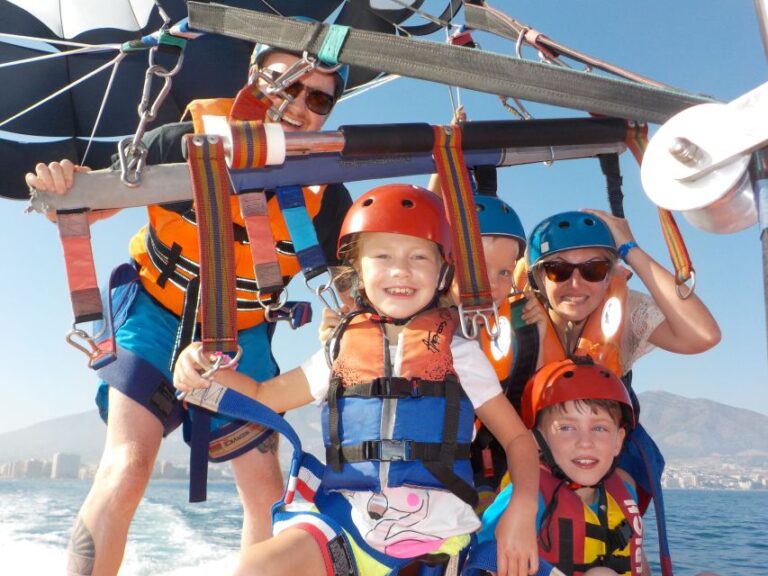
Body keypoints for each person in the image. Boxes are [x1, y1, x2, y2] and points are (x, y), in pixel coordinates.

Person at [25, 44, 353, 576]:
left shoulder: (329, 198)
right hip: (155, 316)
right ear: (251, 78)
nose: (298, 105)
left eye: (318, 98)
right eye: (284, 84)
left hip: (242, 338)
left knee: (267, 493)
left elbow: (358, 285)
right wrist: (64, 186)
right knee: (129, 466)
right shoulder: (182, 141)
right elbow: (91, 200)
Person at [174, 184, 541, 576]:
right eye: (382, 256)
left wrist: (522, 507)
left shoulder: (460, 353)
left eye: (419, 256)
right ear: (359, 274)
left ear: (442, 272)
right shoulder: (341, 349)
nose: (401, 270)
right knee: (256, 566)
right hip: (347, 528)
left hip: (435, 541)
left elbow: (518, 439)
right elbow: (264, 395)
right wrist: (200, 367)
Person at [475, 358, 650, 576]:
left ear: (618, 441)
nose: (585, 442)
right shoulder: (525, 500)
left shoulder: (625, 492)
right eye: (567, 428)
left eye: (599, 429)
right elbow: (483, 560)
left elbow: (639, 564)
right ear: (538, 440)